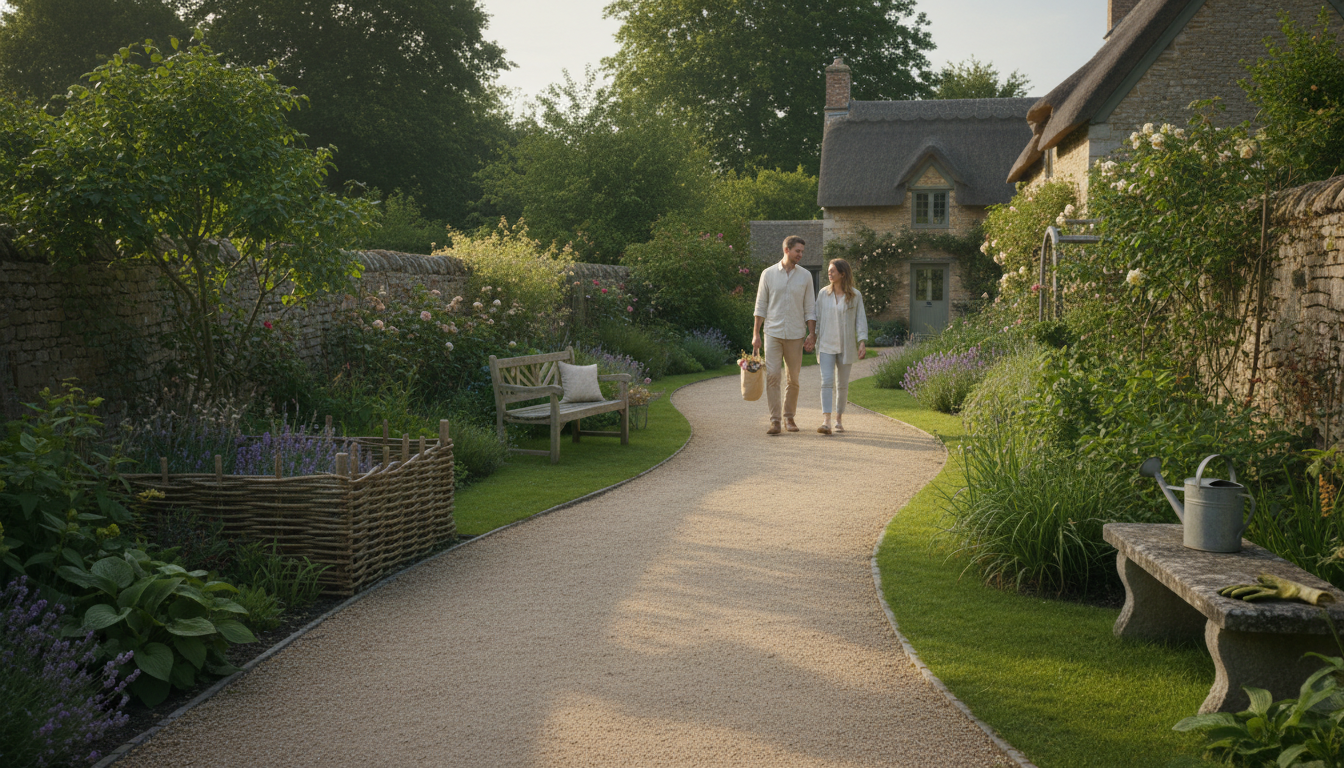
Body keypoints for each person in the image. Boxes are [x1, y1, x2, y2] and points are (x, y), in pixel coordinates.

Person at [752, 235, 816, 435]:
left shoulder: (806, 276)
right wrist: (756, 334)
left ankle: (789, 417)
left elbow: (810, 308)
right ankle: (775, 421)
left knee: (793, 379)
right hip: (772, 332)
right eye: (798, 251)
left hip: (796, 334)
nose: (801, 255)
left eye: (802, 252)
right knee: (772, 376)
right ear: (786, 250)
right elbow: (760, 306)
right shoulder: (768, 274)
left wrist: (811, 334)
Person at [813, 258, 867, 435]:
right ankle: (826, 421)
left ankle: (839, 419)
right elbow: (818, 318)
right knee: (826, 382)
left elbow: (860, 319)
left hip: (846, 346)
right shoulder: (823, 294)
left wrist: (862, 341)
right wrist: (812, 336)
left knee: (842, 385)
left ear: (842, 274)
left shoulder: (855, 295)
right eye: (829, 270)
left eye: (833, 271)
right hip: (826, 344)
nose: (829, 273)